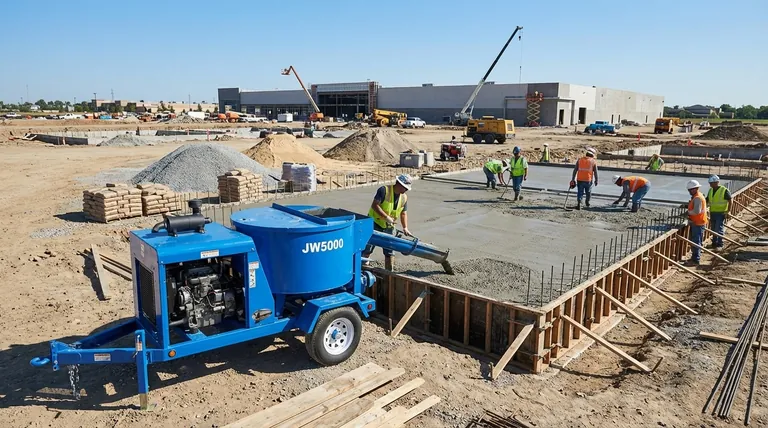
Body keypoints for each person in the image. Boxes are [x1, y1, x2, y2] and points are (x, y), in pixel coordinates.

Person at [363, 174, 413, 268]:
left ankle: (389, 271)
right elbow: (375, 205)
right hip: (374, 223)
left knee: (389, 251)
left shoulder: (404, 197)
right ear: (399, 184)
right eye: (405, 187)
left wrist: (405, 227)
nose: (406, 190)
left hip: (389, 227)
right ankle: (364, 267)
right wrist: (386, 217)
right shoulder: (384, 190)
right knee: (367, 248)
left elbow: (403, 213)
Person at [706, 174, 732, 250]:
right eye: (710, 183)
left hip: (721, 213)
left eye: (711, 183)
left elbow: (730, 200)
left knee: (718, 229)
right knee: (713, 228)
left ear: (716, 182)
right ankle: (714, 243)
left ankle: (720, 244)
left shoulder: (724, 190)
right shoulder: (710, 190)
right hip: (713, 212)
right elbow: (707, 200)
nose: (710, 185)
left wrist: (728, 211)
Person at [686, 180, 708, 265]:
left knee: (696, 241)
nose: (689, 192)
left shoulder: (697, 198)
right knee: (696, 240)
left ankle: (695, 260)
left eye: (691, 190)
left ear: (696, 188)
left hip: (698, 222)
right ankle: (695, 257)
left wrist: (688, 212)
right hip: (697, 221)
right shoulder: (698, 196)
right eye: (689, 190)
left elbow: (696, 211)